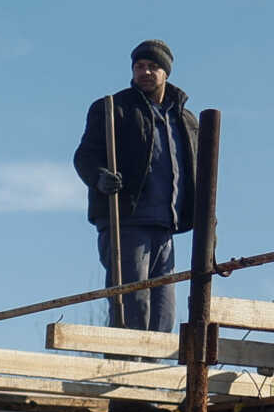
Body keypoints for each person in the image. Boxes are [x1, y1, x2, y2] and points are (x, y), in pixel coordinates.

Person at [73, 40, 200, 333]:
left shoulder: (185, 119)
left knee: (164, 312)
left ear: (166, 72)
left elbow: (200, 179)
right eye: (139, 66)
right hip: (125, 221)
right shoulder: (114, 108)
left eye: (152, 67)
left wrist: (211, 231)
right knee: (132, 304)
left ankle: (153, 376)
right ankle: (124, 370)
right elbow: (85, 156)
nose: (145, 72)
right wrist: (100, 176)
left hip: (166, 226)